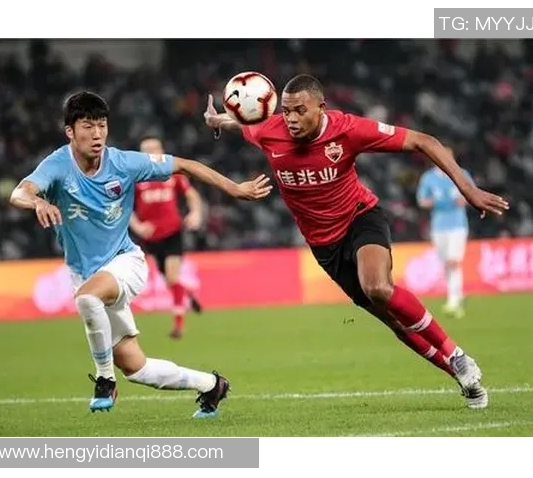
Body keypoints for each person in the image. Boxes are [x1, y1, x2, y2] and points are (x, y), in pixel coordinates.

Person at [204, 74, 510, 409]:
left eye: (300, 111)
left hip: (360, 218)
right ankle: (462, 377)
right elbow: (243, 124)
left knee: (377, 287)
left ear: (321, 108)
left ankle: (456, 354)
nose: (291, 119)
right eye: (286, 111)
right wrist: (217, 120)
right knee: (394, 321)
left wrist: (468, 189)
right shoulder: (268, 130)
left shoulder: (348, 129)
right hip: (324, 246)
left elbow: (424, 141)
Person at [9, 91, 272, 417]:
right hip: (85, 273)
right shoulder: (58, 164)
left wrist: (234, 188)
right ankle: (211, 385)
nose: (97, 134)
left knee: (87, 299)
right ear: (70, 132)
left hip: (125, 262)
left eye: (102, 125)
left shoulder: (123, 162)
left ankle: (105, 380)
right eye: (88, 126)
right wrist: (38, 201)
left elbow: (185, 166)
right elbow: (20, 192)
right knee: (136, 367)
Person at [130, 135, 204, 339]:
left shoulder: (173, 173)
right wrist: (138, 226)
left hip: (173, 232)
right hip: (151, 237)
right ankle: (187, 293)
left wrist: (195, 213)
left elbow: (191, 195)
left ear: (161, 151)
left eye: (154, 148)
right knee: (171, 281)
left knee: (171, 277)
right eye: (146, 150)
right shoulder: (135, 178)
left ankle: (178, 325)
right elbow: (125, 208)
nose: (151, 153)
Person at [417, 155, 474, 319]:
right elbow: (422, 200)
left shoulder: (461, 173)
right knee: (446, 264)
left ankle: (454, 300)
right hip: (439, 226)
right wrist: (436, 202)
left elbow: (471, 194)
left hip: (457, 225)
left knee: (453, 262)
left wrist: (464, 199)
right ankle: (456, 296)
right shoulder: (428, 178)